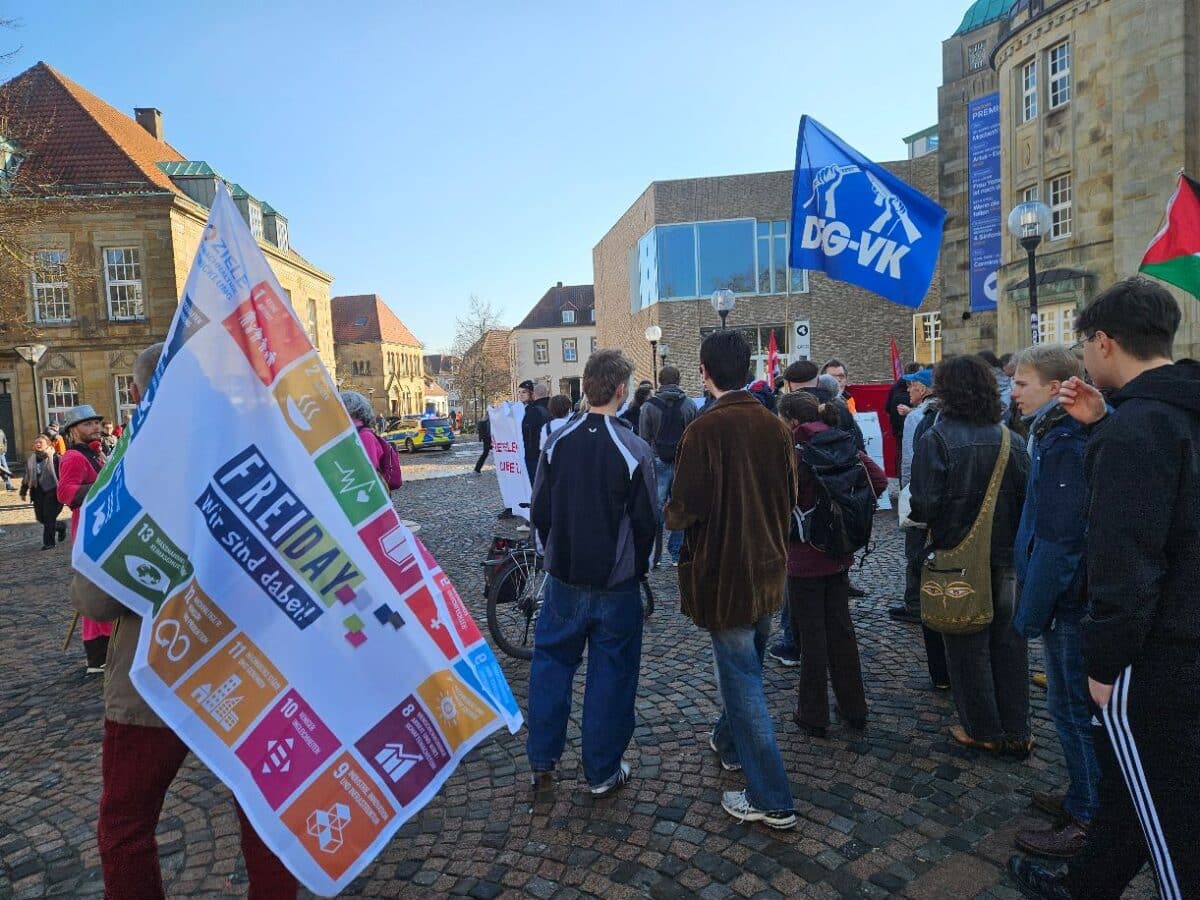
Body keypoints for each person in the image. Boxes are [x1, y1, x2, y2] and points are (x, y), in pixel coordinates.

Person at [70, 342, 298, 900]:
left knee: (125, 827)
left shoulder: (128, 474)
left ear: (138, 394)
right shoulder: (257, 459)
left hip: (154, 676)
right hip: (245, 674)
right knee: (266, 826)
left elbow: (95, 602)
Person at [1009, 278, 1200, 900]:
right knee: (1131, 787)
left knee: (1169, 817)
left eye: (1085, 342)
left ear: (1104, 342)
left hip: (1157, 650)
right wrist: (1101, 421)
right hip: (1176, 631)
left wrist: (1106, 659)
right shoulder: (1168, 410)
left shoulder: (1139, 428)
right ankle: (1087, 884)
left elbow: (1127, 556)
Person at [666, 329, 798, 829]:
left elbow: (684, 509)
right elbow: (791, 493)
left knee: (743, 680)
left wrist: (671, 512)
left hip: (726, 576)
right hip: (768, 569)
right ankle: (728, 742)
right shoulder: (773, 425)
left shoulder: (704, 430)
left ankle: (772, 798)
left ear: (705, 371)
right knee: (749, 667)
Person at [526, 349, 657, 798]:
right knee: (611, 676)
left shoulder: (557, 440)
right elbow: (646, 523)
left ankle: (542, 756)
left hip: (563, 576)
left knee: (551, 666)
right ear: (621, 390)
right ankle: (601, 770)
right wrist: (636, 571)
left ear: (586, 385)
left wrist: (554, 553)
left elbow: (539, 509)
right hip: (614, 584)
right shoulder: (634, 448)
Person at [909, 355, 1030, 756]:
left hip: (957, 551)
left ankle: (983, 728)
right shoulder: (1012, 437)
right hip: (1007, 553)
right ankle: (1017, 728)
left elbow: (924, 502)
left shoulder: (938, 438)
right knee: (1009, 643)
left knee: (964, 643)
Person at [1007, 344, 1096, 861]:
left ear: (1055, 385)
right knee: (1064, 706)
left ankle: (1088, 814)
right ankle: (1082, 794)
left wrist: (1030, 613)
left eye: (1021, 383)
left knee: (1070, 708)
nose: (1013, 392)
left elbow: (1061, 540)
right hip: (1061, 596)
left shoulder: (1064, 440)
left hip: (1067, 602)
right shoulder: (1048, 432)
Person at [780, 391, 887, 738]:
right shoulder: (842, 442)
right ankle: (854, 707)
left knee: (810, 638)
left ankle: (813, 714)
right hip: (839, 553)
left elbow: (777, 500)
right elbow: (879, 480)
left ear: (792, 422)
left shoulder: (795, 453)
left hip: (804, 558)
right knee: (842, 631)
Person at [56, 403, 114, 674]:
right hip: (88, 535)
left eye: (97, 423)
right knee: (95, 595)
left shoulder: (96, 454)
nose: (96, 428)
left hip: (102, 531)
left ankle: (106, 652)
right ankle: (98, 656)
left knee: (106, 591)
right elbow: (66, 494)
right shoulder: (73, 458)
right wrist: (105, 484)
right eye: (88, 424)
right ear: (73, 430)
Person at [639, 366, 698, 568]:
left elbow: (643, 439)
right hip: (683, 461)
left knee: (654, 507)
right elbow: (694, 436)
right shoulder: (689, 404)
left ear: (659, 381)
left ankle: (652, 555)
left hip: (657, 460)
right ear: (679, 380)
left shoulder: (648, 407)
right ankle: (676, 552)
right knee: (680, 506)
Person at [20, 434, 68, 549]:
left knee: (48, 517)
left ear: (48, 445)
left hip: (53, 491)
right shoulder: (32, 459)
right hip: (37, 492)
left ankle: (49, 543)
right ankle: (60, 527)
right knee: (40, 518)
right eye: (36, 442)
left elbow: (64, 475)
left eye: (40, 442)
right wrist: (23, 490)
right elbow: (27, 476)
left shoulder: (56, 458)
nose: (37, 444)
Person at [521, 381, 550, 486]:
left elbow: (526, 435)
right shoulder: (554, 407)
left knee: (537, 487)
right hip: (551, 454)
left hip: (534, 455)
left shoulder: (532, 411)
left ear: (534, 394)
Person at [0, 426, 15, 490]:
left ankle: (9, 485)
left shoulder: (1, 431)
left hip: (1, 453)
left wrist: (5, 449)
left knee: (5, 468)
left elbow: (5, 441)